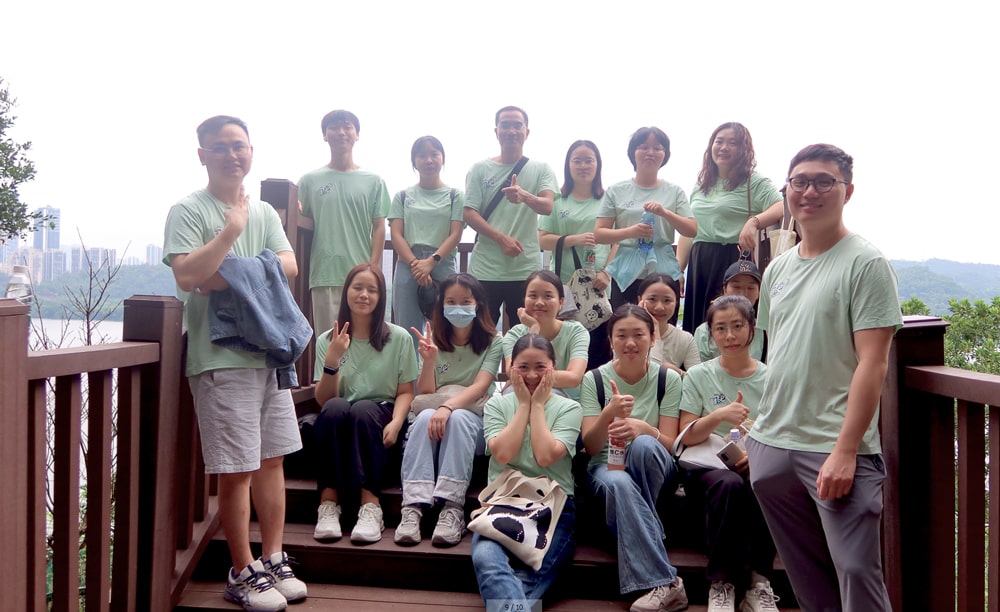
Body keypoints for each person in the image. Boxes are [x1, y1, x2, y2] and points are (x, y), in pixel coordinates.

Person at [747, 144, 902, 611]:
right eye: (799, 182)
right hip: (773, 443)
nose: (809, 191)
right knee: (807, 579)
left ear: (847, 191)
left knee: (856, 574)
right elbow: (780, 354)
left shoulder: (865, 263)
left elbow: (873, 363)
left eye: (823, 182)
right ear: (787, 191)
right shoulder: (777, 269)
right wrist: (757, 440)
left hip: (834, 448)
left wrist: (847, 449)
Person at [163, 115, 306, 611]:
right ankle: (242, 570)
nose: (232, 155)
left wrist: (228, 271)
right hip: (220, 359)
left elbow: (287, 265)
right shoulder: (188, 210)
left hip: (265, 353)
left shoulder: (264, 210)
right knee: (237, 468)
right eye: (220, 147)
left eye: (239, 146)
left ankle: (272, 558)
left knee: (272, 460)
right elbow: (187, 275)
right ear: (201, 154)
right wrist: (230, 234)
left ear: (251, 151)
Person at [579, 304, 689, 612]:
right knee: (621, 482)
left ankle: (642, 539)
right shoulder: (594, 380)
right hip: (606, 466)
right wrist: (608, 415)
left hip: (655, 467)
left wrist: (643, 428)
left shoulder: (668, 379)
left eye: (638, 334)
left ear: (652, 338)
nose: (630, 343)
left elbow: (669, 445)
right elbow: (590, 446)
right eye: (621, 335)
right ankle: (667, 584)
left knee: (642, 445)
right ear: (610, 340)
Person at [679, 296, 779, 612]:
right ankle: (722, 583)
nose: (729, 336)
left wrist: (759, 455)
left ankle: (759, 582)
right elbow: (686, 434)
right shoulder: (698, 375)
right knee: (729, 483)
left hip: (757, 462)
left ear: (752, 330)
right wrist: (719, 415)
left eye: (737, 326)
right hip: (706, 469)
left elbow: (781, 432)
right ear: (710, 333)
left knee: (764, 478)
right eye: (720, 328)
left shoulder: (771, 377)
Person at [471, 333, 583, 611]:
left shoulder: (570, 407)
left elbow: (546, 456)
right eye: (523, 367)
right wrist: (523, 405)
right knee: (486, 557)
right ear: (511, 369)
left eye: (540, 367)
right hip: (503, 503)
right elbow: (504, 453)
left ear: (553, 368)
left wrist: (539, 406)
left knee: (529, 577)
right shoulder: (497, 405)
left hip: (553, 507)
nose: (532, 375)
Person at [312, 263, 418, 545]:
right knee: (334, 409)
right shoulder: (327, 339)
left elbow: (406, 391)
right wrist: (332, 362)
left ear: (382, 297)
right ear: (346, 291)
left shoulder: (399, 338)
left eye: (372, 290)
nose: (364, 295)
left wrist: (396, 423)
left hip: (379, 420)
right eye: (358, 287)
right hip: (341, 420)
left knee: (362, 409)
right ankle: (328, 504)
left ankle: (371, 506)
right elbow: (323, 399)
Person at [396, 273, 504, 547]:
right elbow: (426, 393)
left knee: (458, 418)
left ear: (477, 304)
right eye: (451, 301)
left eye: (465, 301)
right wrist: (430, 361)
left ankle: (452, 507)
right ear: (441, 305)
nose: (458, 307)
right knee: (422, 419)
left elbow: (480, 387)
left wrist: (447, 406)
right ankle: (412, 507)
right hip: (437, 416)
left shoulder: (494, 341)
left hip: (474, 423)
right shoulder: (435, 338)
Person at [677, 122, 783, 334]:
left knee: (731, 322)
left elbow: (781, 205)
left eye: (732, 143)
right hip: (700, 260)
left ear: (743, 149)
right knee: (699, 325)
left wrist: (753, 222)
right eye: (719, 141)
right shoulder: (701, 184)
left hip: (734, 260)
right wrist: (678, 269)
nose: (724, 147)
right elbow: (689, 230)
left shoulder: (754, 181)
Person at [463, 106, 558, 328]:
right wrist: (500, 238)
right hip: (486, 267)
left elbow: (547, 206)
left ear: (527, 132)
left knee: (526, 335)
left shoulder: (541, 168)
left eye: (518, 125)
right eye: (505, 125)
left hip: (525, 269)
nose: (511, 130)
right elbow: (469, 212)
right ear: (496, 131)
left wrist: (524, 196)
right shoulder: (479, 169)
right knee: (480, 334)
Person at [298, 109, 390, 337]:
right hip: (324, 273)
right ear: (325, 135)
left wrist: (373, 268)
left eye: (347, 127)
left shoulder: (374, 181)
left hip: (361, 277)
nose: (341, 132)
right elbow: (301, 222)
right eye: (334, 127)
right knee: (329, 341)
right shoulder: (309, 181)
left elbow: (379, 226)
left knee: (366, 340)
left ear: (357, 134)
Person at [595, 126, 697, 307]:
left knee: (662, 327)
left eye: (657, 148)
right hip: (625, 271)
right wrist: (631, 232)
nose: (650, 152)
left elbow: (691, 229)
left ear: (665, 154)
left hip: (663, 270)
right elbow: (599, 234)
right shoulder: (616, 190)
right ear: (633, 152)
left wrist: (664, 212)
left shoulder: (674, 191)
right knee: (626, 328)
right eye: (643, 147)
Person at [538, 139, 616, 368]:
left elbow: (619, 241)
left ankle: (596, 398)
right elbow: (542, 238)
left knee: (598, 347)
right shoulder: (558, 201)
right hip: (564, 285)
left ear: (597, 165)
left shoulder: (607, 200)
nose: (583, 166)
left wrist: (607, 273)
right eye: (577, 161)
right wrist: (574, 239)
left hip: (598, 284)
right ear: (568, 165)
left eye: (589, 160)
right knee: (563, 345)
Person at [389, 136, 465, 351]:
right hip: (408, 263)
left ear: (443, 159)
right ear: (414, 161)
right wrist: (416, 264)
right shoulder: (402, 196)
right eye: (422, 155)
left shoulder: (454, 195)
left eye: (434, 154)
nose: (429, 160)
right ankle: (409, 385)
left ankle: (441, 382)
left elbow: (456, 233)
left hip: (443, 262)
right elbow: (396, 234)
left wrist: (431, 262)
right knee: (406, 330)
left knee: (446, 327)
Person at [501, 270, 590, 400]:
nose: (539, 302)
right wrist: (534, 330)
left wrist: (527, 377)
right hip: (526, 397)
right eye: (533, 296)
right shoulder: (514, 335)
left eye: (548, 296)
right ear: (524, 300)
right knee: (511, 393)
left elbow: (574, 377)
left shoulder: (576, 332)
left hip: (566, 404)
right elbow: (512, 372)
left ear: (561, 302)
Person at [693, 258, 766, 362]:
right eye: (736, 287)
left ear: (759, 292)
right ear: (725, 290)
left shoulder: (765, 330)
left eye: (750, 288)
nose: (744, 294)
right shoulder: (704, 332)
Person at [637, 273, 700, 376]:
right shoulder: (627, 334)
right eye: (652, 299)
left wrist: (675, 371)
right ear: (640, 300)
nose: (659, 307)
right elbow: (652, 374)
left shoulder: (685, 339)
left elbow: (698, 380)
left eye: (667, 300)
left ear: (676, 303)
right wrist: (655, 329)